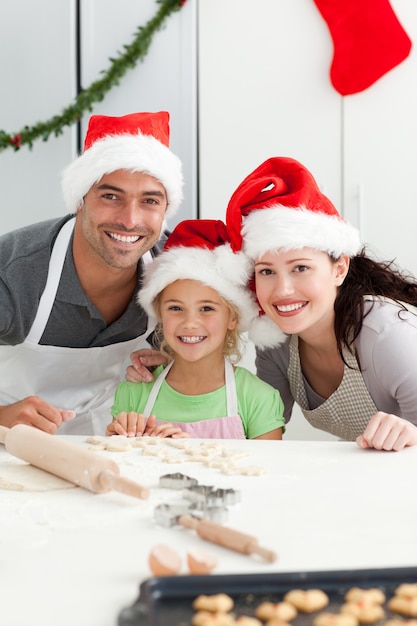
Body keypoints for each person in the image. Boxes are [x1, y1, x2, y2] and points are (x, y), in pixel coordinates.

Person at [0, 111, 183, 435]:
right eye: (111, 196)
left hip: (113, 447)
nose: (129, 220)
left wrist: (180, 365)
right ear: (81, 199)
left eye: (149, 201)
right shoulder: (14, 274)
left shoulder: (176, 272)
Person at [223, 156, 417, 451]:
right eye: (267, 271)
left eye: (300, 268)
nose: (283, 290)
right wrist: (178, 367)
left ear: (339, 269)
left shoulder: (387, 336)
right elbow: (260, 433)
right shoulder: (276, 343)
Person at [106, 219, 285, 439]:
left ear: (232, 318)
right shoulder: (133, 393)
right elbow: (117, 467)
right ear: (160, 315)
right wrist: (118, 441)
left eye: (206, 308)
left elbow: (267, 472)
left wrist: (188, 454)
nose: (190, 323)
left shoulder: (258, 398)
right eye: (175, 308)